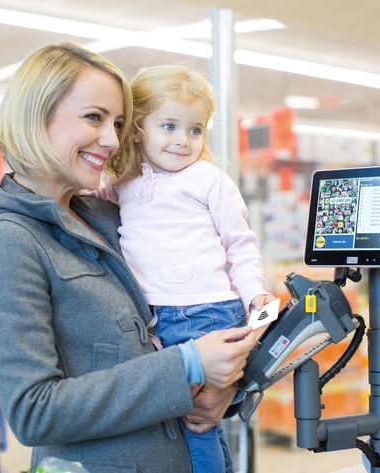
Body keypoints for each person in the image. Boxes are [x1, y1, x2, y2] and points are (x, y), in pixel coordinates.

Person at [0, 42, 256, 473]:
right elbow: (34, 410)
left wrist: (223, 388)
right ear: (35, 116)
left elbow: (177, 332)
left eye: (119, 123)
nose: (113, 140)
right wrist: (187, 365)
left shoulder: (106, 215)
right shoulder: (5, 240)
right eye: (94, 118)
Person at [89, 64, 276, 472]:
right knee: (195, 422)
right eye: (169, 126)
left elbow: (240, 245)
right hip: (156, 317)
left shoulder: (209, 180)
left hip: (203, 314)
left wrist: (255, 293)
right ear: (137, 128)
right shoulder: (123, 182)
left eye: (195, 130)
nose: (183, 141)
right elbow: (91, 197)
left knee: (195, 422)